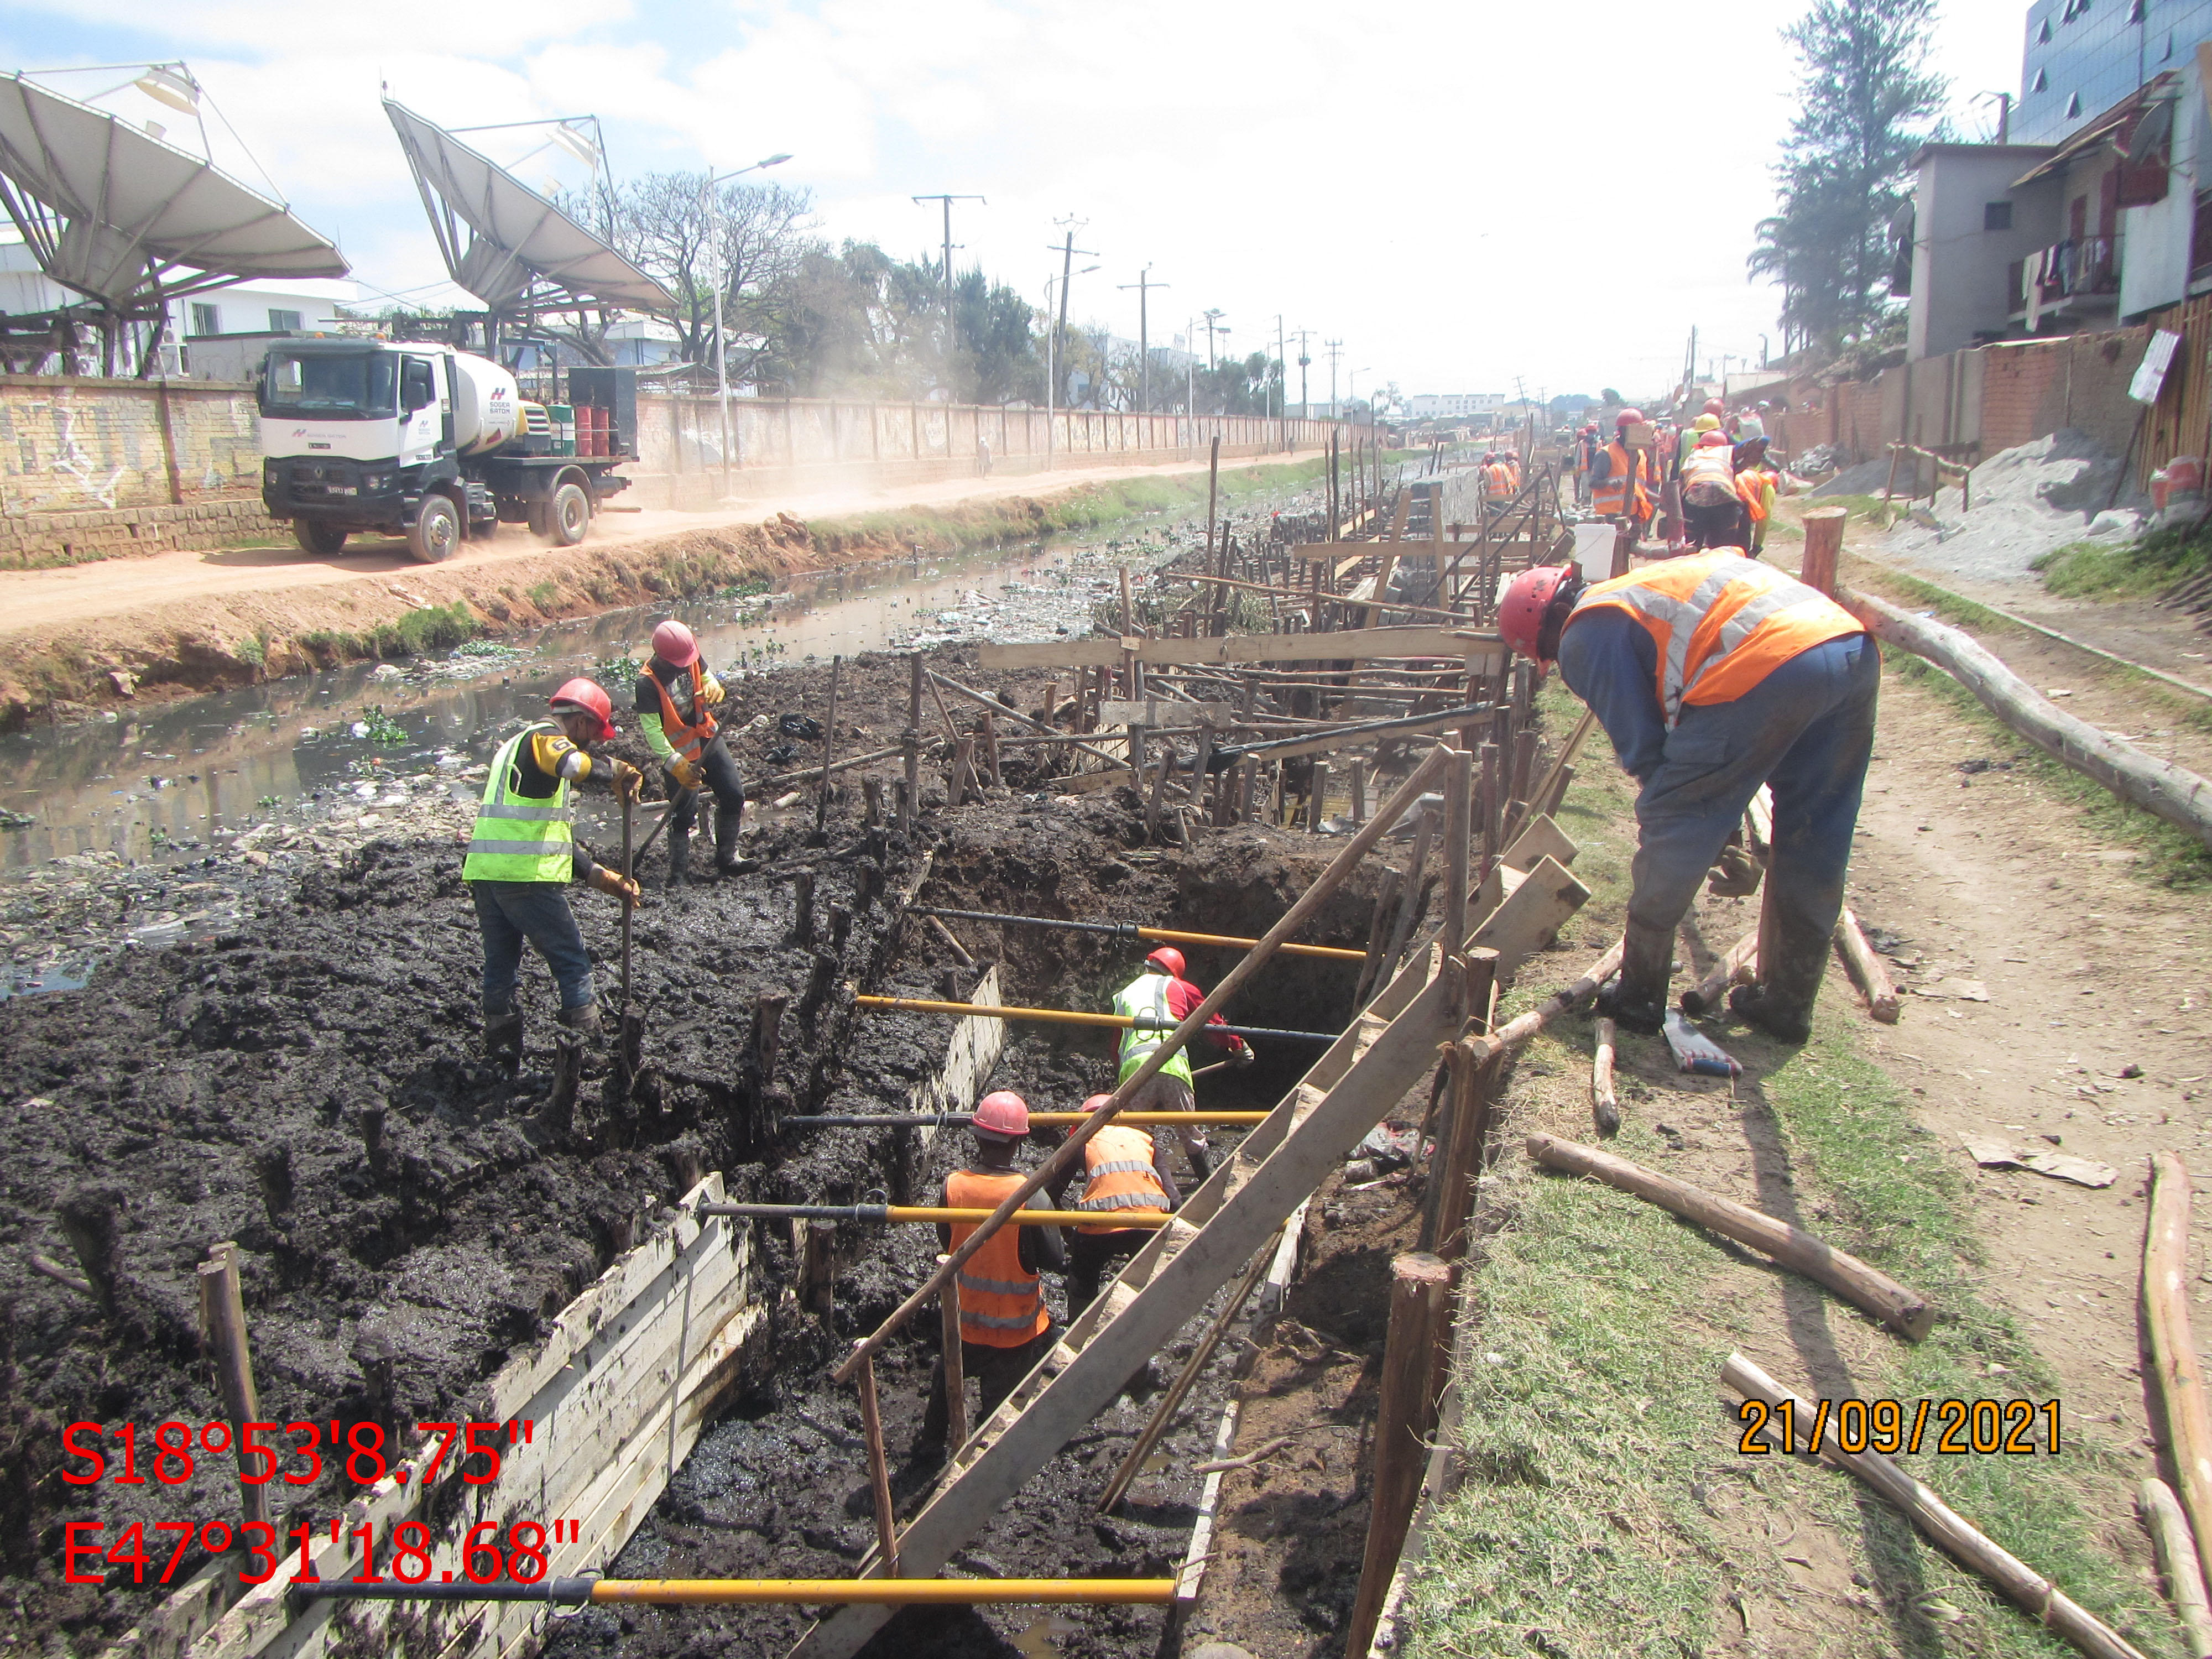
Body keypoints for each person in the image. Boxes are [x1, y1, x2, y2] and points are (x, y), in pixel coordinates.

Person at [1494, 552, 1876, 1043]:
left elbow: (1647, 751)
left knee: (1670, 816)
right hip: (1848, 649)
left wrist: (1699, 828)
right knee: (1815, 834)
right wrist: (1721, 828)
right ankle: (1788, 1004)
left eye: (1545, 652)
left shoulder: (1585, 633)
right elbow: (1710, 753)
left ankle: (1641, 994)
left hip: (1768, 663)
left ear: (1545, 632)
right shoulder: (1642, 594)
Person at [462, 680, 642, 1067]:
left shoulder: (513, 747)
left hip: (487, 875)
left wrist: (603, 877)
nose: (591, 743)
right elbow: (572, 764)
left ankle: (502, 1054)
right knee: (573, 963)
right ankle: (587, 1055)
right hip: (524, 879)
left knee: (500, 966)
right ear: (579, 722)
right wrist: (616, 773)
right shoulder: (545, 739)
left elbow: (545, 836)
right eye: (593, 733)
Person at [921, 1091, 1065, 1443]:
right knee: (998, 1414)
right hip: (1014, 1331)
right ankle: (982, 1460)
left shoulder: (952, 1186)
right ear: (1017, 1142)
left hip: (962, 1323)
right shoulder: (1030, 1193)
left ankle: (930, 1446)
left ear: (978, 1137)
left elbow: (948, 1243)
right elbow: (1055, 1258)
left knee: (946, 1386)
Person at [1112, 946, 1254, 1179]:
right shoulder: (1178, 986)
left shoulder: (1124, 994)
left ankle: (1133, 1186)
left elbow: (1116, 1046)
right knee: (1190, 1134)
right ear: (1174, 971)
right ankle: (1208, 1186)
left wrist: (1126, 1077)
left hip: (1135, 1071)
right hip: (1171, 1067)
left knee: (1132, 1135)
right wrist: (1238, 1047)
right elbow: (1212, 1023)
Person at [635, 619, 749, 886]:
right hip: (678, 753)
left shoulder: (690, 655)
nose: (687, 665)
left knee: (733, 793)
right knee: (683, 814)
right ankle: (679, 874)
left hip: (707, 736)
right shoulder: (647, 684)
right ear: (664, 659)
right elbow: (652, 731)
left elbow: (706, 674)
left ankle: (728, 857)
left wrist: (713, 686)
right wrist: (675, 764)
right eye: (682, 663)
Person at [1051, 1093, 1181, 1313]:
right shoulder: (1145, 1140)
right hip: (1149, 1222)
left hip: (1100, 1225)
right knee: (1148, 1286)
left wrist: (1070, 1236)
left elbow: (1052, 1194)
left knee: (1082, 1279)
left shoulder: (1084, 1140)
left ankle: (1078, 1328)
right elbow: (1175, 1199)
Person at [1589, 409, 1655, 550]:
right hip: (1612, 516)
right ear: (1623, 431)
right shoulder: (1606, 454)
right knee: (1614, 554)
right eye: (1635, 429)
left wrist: (1659, 498)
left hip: (1634, 514)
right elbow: (1593, 482)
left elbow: (1637, 486)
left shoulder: (1641, 454)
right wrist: (1609, 483)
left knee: (1632, 551)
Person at [1679, 430, 1746, 551]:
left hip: (1696, 493)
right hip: (1725, 495)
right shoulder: (1728, 452)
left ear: (1701, 445)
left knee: (1693, 545)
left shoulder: (1693, 455)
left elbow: (1681, 483)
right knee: (1724, 547)